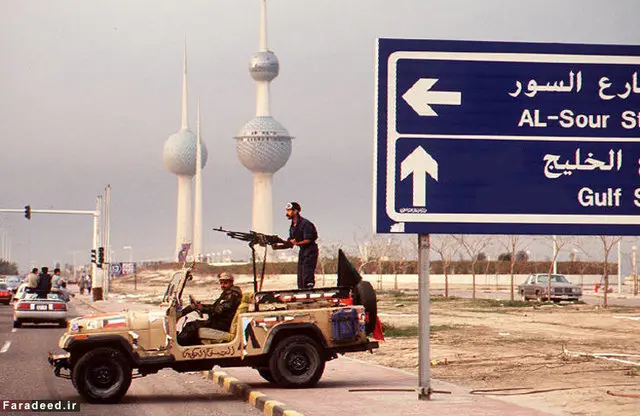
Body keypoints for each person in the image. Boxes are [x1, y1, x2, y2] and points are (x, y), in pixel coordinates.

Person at [178, 272, 243, 346]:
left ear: (231, 282)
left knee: (191, 327)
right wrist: (202, 306)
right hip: (220, 321)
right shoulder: (228, 293)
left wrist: (204, 309)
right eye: (221, 283)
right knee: (191, 325)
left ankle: (180, 345)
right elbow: (216, 306)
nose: (223, 285)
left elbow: (220, 309)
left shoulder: (233, 295)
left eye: (225, 283)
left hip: (223, 323)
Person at [273, 201, 319, 289]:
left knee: (307, 274)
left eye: (289, 210)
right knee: (300, 277)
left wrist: (296, 243)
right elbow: (290, 243)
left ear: (295, 211)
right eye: (287, 210)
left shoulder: (305, 224)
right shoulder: (292, 227)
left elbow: (308, 240)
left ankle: (308, 291)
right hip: (302, 251)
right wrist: (278, 247)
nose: (287, 213)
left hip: (310, 251)